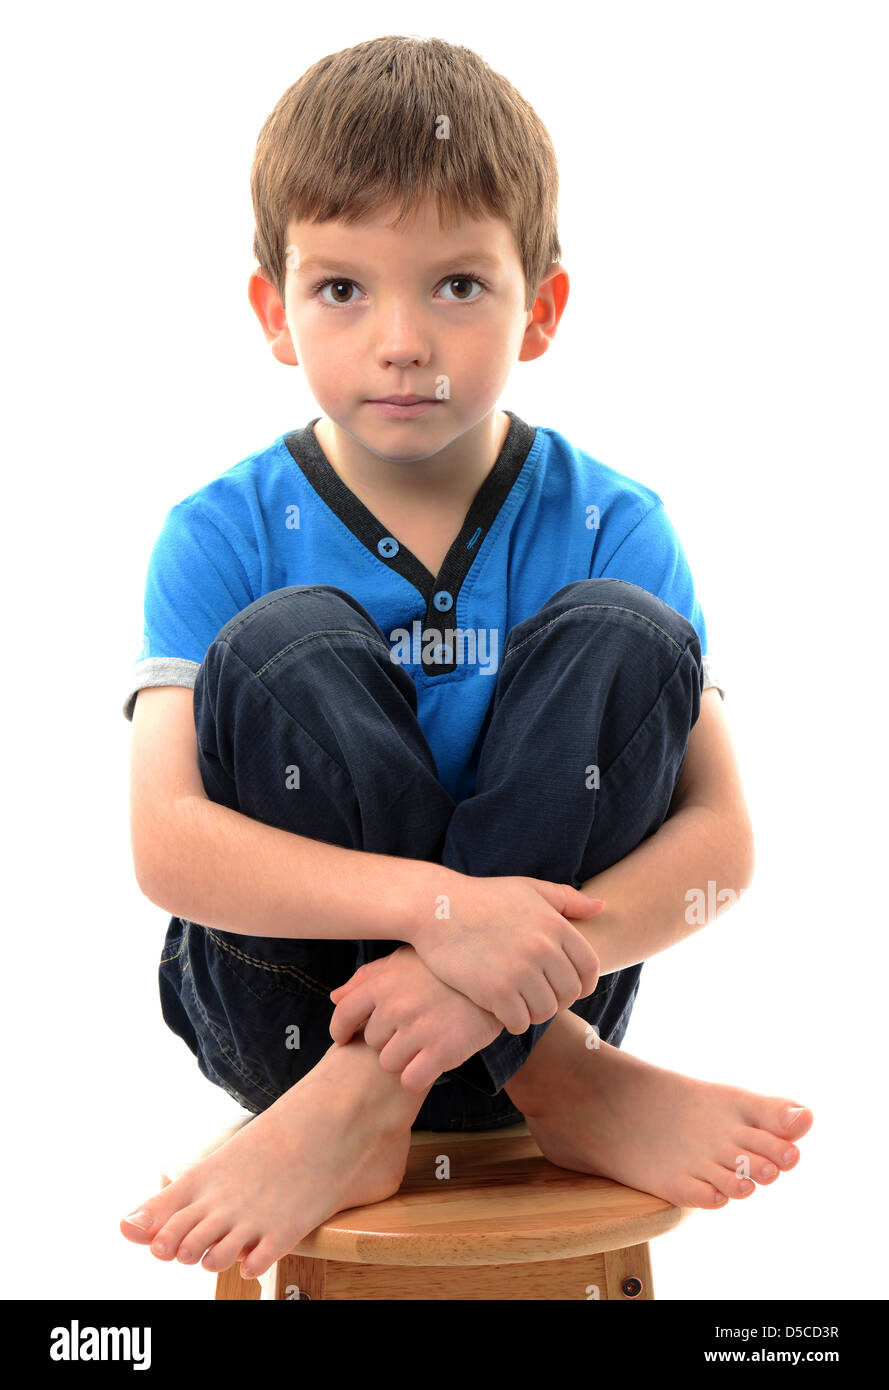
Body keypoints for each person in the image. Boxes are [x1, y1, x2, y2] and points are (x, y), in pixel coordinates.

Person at [119, 34, 812, 1284]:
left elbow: (723, 845)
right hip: (293, 1016)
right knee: (290, 645)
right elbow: (170, 847)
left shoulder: (614, 521)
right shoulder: (218, 532)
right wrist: (448, 916)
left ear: (538, 308)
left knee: (621, 632)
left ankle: (530, 1066)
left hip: (557, 990)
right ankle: (452, 1080)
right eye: (343, 289)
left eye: (455, 286)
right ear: (273, 310)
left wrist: (527, 970)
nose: (401, 339)